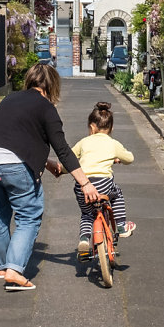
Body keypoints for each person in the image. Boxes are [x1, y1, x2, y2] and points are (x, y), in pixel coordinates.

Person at [0, 63, 101, 291]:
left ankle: (2, 267)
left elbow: (14, 136)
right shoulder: (46, 108)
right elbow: (63, 149)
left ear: (29, 81)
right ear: (52, 86)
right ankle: (14, 270)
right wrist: (85, 183)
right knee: (29, 214)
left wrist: (47, 163)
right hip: (13, 164)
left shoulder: (9, 100)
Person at [61, 101, 136, 260]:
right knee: (117, 193)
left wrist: (61, 170)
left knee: (87, 214)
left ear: (92, 127)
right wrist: (118, 158)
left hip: (83, 185)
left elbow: (69, 162)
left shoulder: (84, 142)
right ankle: (121, 226)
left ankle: (83, 239)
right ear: (111, 128)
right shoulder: (112, 143)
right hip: (104, 184)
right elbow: (130, 158)